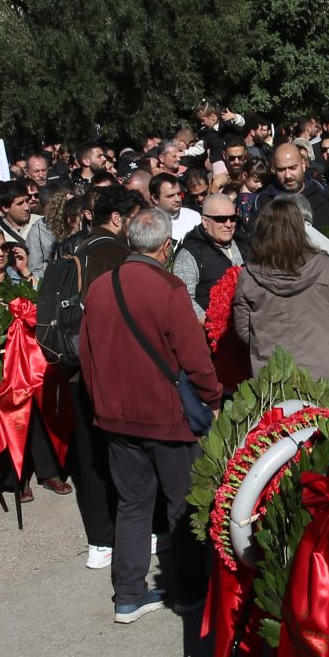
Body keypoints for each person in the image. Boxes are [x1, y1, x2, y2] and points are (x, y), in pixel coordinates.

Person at [79, 208, 222, 625]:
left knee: (133, 504)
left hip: (117, 417)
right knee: (183, 503)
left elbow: (87, 358)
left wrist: (100, 403)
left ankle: (128, 594)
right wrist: (212, 396)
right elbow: (195, 357)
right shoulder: (169, 288)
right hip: (167, 417)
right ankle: (191, 591)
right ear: (165, 247)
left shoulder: (100, 287)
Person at [42, 188, 134, 572]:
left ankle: (100, 541)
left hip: (74, 368)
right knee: (121, 451)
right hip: (106, 369)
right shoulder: (113, 253)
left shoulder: (70, 247)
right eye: (131, 216)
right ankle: (128, 535)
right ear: (116, 218)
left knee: (88, 455)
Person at [232, 195, 329, 381]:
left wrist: (267, 343)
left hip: (277, 376)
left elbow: (244, 329)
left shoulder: (249, 275)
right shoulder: (324, 265)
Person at [267, 142, 329, 259]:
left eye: (293, 168)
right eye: (281, 170)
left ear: (303, 165)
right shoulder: (264, 202)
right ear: (274, 169)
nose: (288, 175)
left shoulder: (324, 194)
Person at [173, 190, 246, 310]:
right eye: (221, 219)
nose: (228, 224)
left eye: (232, 218)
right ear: (205, 222)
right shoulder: (190, 253)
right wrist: (209, 322)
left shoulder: (244, 242)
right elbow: (184, 299)